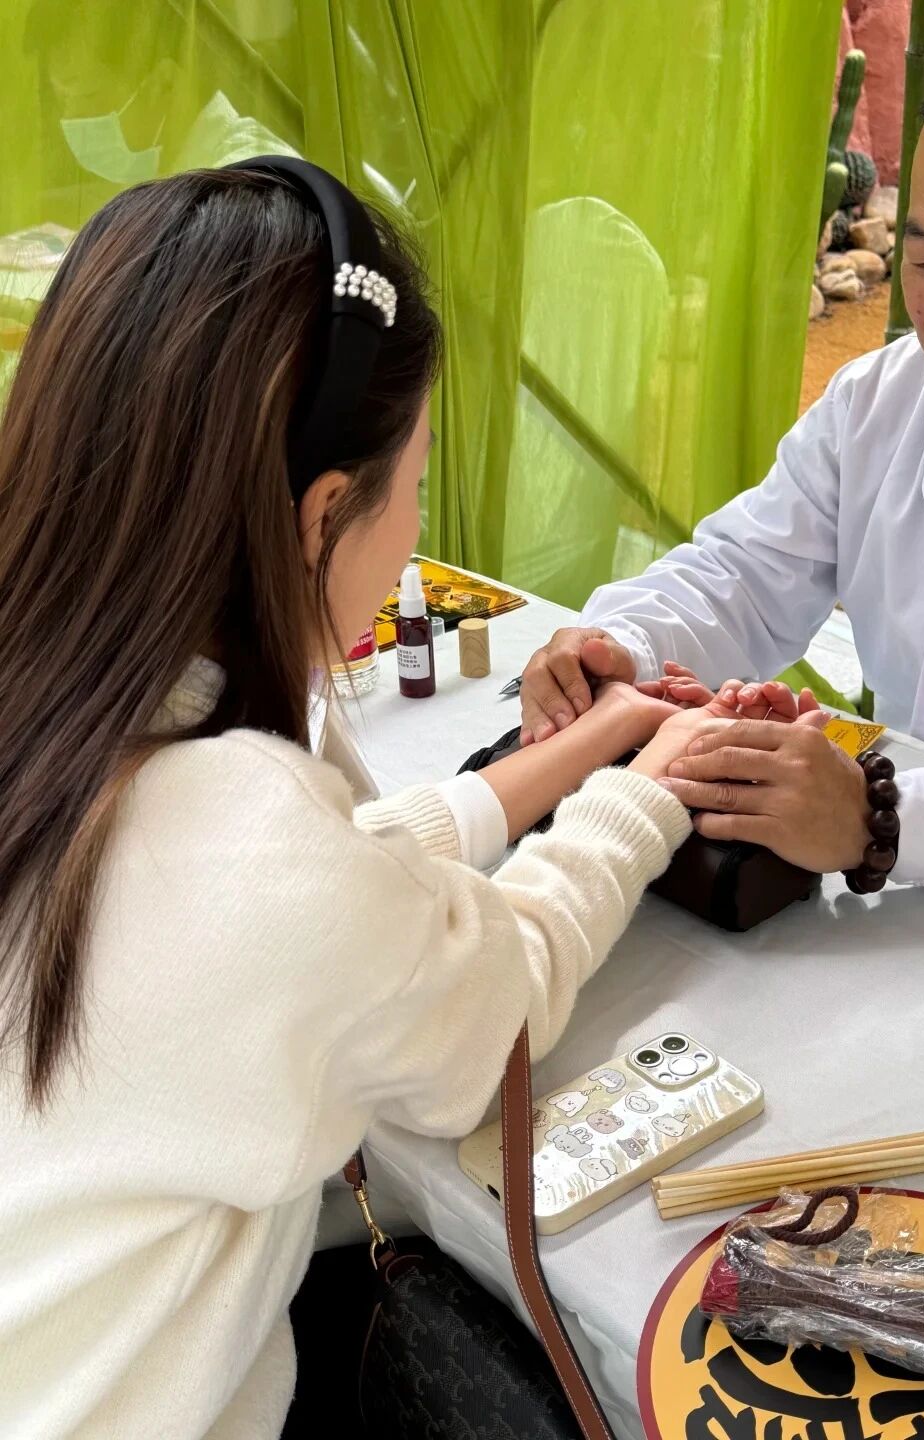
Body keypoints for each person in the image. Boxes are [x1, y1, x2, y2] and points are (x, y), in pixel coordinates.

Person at [0, 163, 718, 1437]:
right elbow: (491, 1007)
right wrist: (646, 794)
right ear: (326, 510)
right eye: (416, 479)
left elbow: (312, 890)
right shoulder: (253, 845)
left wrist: (570, 754)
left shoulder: (70, 717)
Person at [520, 8, 924, 899]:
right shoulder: (880, 402)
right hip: (903, 914)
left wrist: (881, 816)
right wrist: (624, 645)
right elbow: (745, 572)